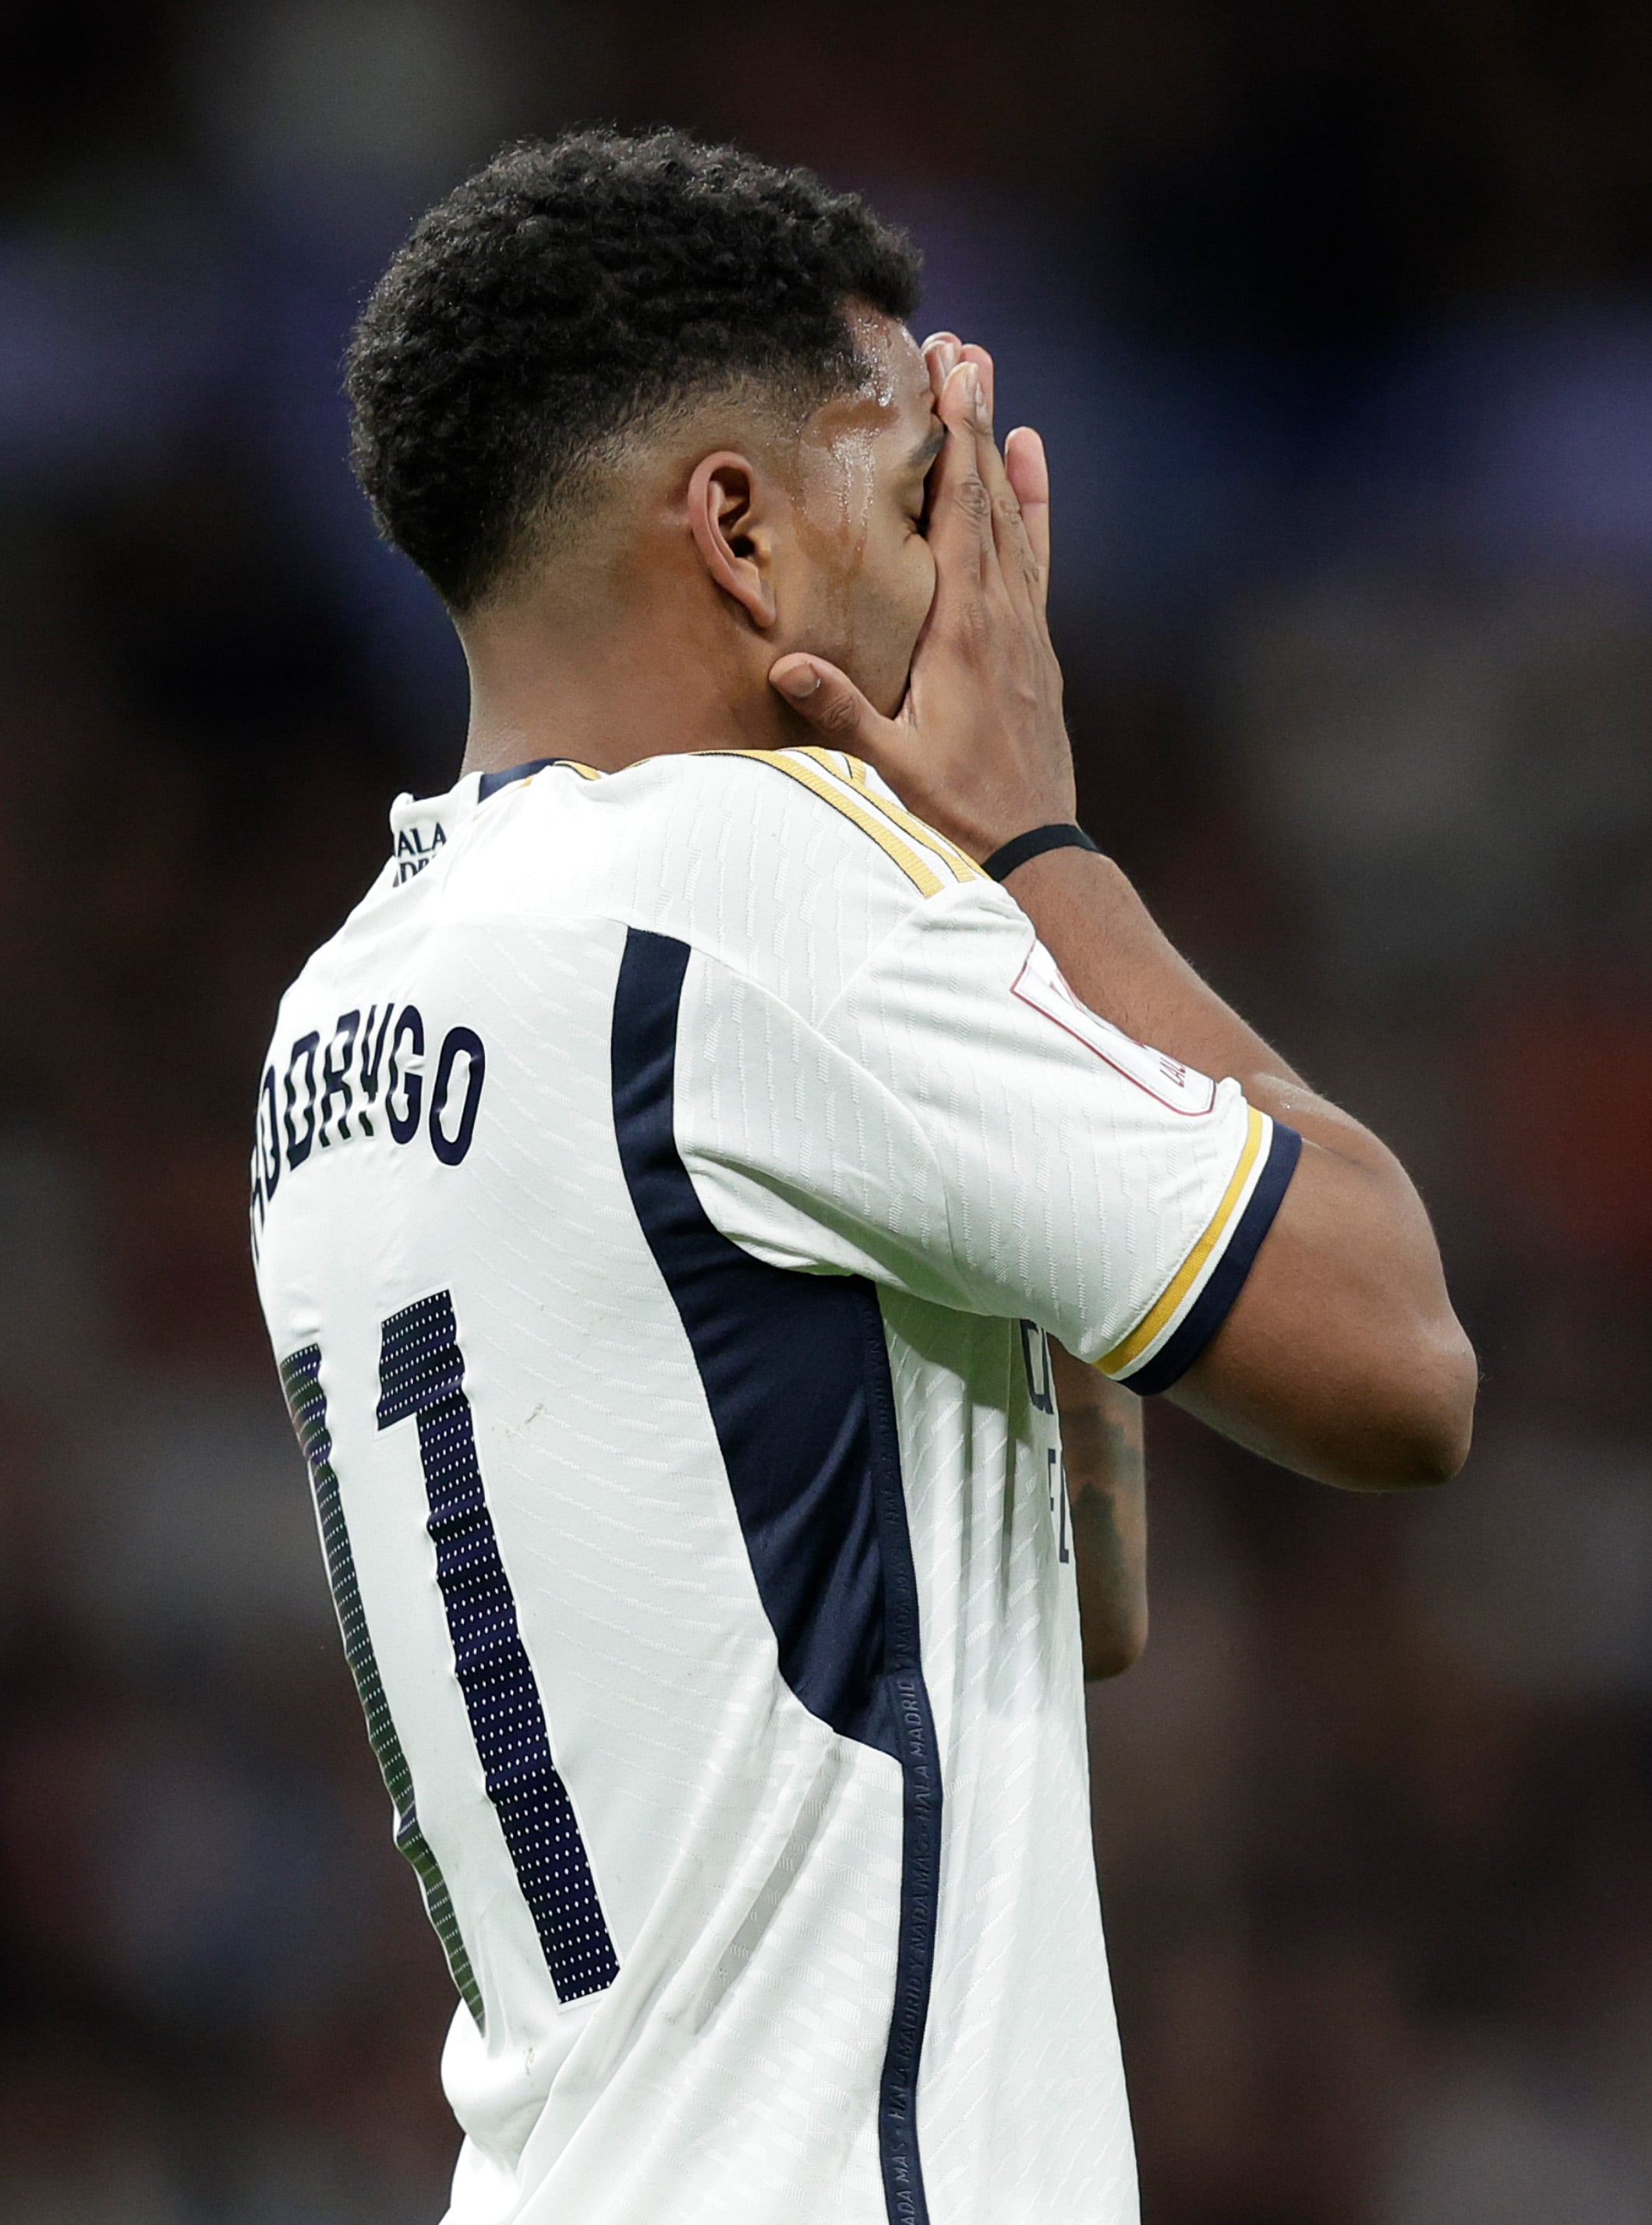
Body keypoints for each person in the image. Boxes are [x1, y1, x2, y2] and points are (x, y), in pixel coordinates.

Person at [246, 126, 1473, 2225]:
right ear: (738, 528)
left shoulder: (338, 1013)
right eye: (917, 497)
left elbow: (1064, 1601)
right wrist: (1033, 850)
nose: (966, 575)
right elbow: (1396, 1362)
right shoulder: (743, 892)